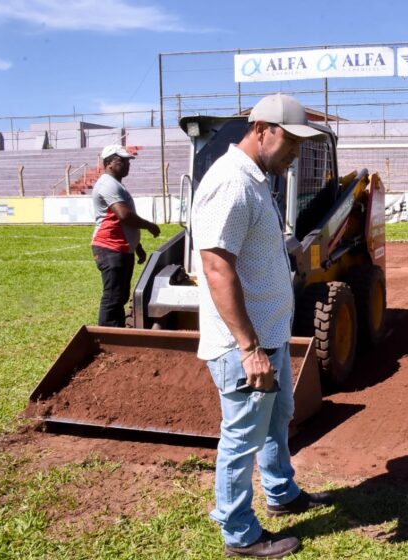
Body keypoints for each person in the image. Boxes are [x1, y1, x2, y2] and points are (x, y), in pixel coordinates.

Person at [191, 94, 333, 558]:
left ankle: (281, 492)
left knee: (276, 423)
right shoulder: (231, 182)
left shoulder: (257, 182)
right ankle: (239, 533)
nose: (296, 153)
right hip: (245, 347)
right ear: (262, 129)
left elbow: (255, 245)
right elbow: (216, 266)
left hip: (270, 337)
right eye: (291, 141)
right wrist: (249, 347)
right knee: (241, 438)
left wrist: (291, 248)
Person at [91, 144, 160, 327]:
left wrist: (136, 246)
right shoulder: (108, 184)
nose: (127, 165)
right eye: (122, 161)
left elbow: (122, 221)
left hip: (120, 247)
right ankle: (108, 335)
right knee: (113, 296)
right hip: (110, 247)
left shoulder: (116, 184)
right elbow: (124, 215)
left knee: (119, 295)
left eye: (128, 161)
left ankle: (117, 330)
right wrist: (149, 226)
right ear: (108, 163)